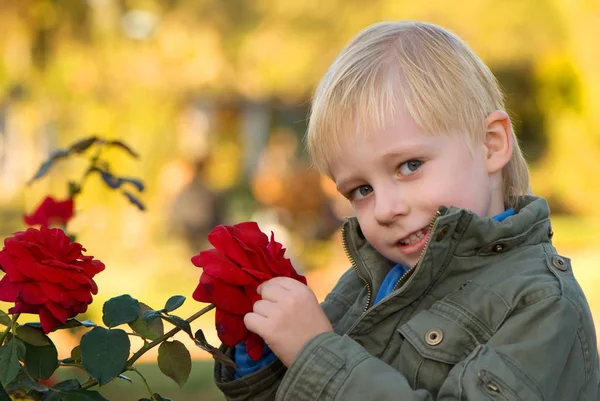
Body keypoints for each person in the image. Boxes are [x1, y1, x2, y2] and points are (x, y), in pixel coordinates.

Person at [212, 21, 600, 400]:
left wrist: (314, 352)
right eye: (361, 189)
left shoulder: (540, 303)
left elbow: (322, 365)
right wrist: (262, 350)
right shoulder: (367, 281)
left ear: (492, 145)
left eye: (409, 166)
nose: (385, 209)